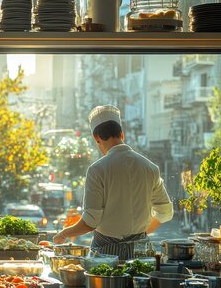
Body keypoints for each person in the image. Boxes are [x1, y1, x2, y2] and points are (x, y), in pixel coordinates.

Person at [52, 105, 173, 260]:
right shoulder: (150, 168)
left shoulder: (97, 170)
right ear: (122, 133)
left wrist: (63, 234)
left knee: (108, 284)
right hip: (141, 254)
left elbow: (90, 221)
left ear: (97, 139)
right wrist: (140, 234)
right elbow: (165, 212)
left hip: (106, 255)